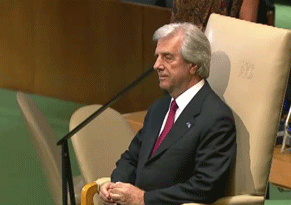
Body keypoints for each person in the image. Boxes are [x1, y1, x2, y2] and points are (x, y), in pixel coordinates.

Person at [99, 22, 236, 205]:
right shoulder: (160, 107)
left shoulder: (215, 117)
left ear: (193, 65)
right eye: (157, 57)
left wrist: (144, 199)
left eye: (167, 57)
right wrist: (116, 185)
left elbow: (205, 186)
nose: (157, 65)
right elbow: (132, 157)